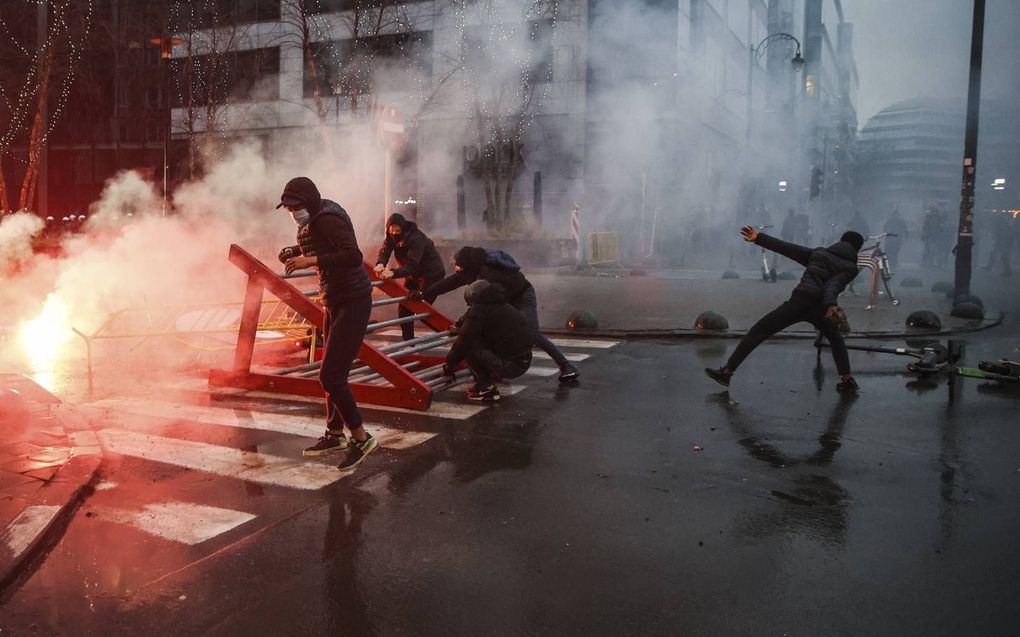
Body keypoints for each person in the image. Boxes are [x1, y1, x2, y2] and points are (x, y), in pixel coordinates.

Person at [276, 176, 378, 470]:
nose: (292, 212)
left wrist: (310, 262)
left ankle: (361, 438)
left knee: (330, 376)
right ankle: (335, 434)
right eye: (287, 207)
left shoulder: (327, 219)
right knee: (334, 373)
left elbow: (352, 255)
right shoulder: (317, 218)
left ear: (308, 202)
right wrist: (295, 252)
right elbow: (322, 245)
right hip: (334, 299)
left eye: (295, 206)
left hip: (353, 300)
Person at [705, 226, 864, 393]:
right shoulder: (850, 268)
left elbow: (788, 249)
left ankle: (727, 372)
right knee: (836, 340)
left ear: (841, 241)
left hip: (799, 301)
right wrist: (831, 304)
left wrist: (758, 238)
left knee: (759, 331)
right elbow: (833, 285)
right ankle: (847, 380)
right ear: (857, 249)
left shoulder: (819, 253)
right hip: (821, 308)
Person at [421, 246, 580, 382]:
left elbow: (481, 307)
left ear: (468, 266)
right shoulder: (473, 268)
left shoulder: (487, 276)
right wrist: (424, 293)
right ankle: (494, 369)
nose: (458, 271)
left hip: (521, 296)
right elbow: (451, 282)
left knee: (531, 333)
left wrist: (463, 323)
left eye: (460, 268)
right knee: (492, 331)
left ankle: (566, 366)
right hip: (504, 298)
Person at [441, 279, 533, 402]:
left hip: (511, 365)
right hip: (523, 359)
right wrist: (460, 324)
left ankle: (486, 387)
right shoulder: (499, 304)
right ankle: (487, 380)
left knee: (468, 345)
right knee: (477, 340)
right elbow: (470, 316)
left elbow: (463, 342)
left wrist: (449, 366)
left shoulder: (480, 310)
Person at [374, 212, 446, 340]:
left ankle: (450, 332)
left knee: (422, 309)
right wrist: (380, 264)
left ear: (403, 228)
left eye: (397, 230)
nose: (394, 233)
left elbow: (411, 265)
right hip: (412, 276)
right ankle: (409, 343)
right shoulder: (390, 237)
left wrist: (392, 273)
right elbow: (385, 251)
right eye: (391, 230)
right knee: (404, 309)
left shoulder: (416, 238)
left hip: (431, 274)